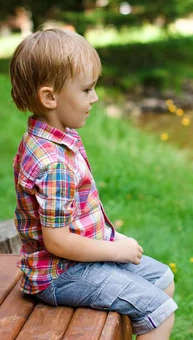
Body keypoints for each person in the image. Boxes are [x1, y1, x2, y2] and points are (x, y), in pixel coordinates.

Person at [10, 28, 176, 339]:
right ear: (50, 97)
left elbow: (74, 215)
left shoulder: (53, 135)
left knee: (163, 278)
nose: (95, 98)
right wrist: (115, 250)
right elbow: (57, 242)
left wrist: (110, 237)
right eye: (86, 90)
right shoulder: (53, 163)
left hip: (73, 259)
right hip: (61, 274)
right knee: (159, 312)